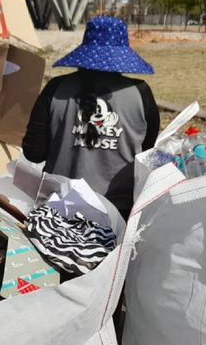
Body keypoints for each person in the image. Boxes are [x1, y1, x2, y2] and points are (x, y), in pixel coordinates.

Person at [22, 16, 159, 218]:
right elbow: (146, 153)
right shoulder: (140, 93)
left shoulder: (56, 89)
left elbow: (33, 153)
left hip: (57, 210)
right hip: (118, 214)